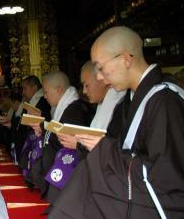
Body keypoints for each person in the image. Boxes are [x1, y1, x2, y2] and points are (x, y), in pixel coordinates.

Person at [41, 26, 184, 219]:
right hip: (137, 190)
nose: (100, 76)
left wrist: (104, 149)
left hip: (164, 210)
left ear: (126, 59)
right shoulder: (129, 101)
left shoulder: (165, 100)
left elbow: (168, 177)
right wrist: (98, 147)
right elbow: (122, 152)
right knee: (91, 168)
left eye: (101, 67)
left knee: (93, 167)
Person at [45, 62, 125, 202]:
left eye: (86, 85)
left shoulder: (120, 107)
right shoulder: (100, 106)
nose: (84, 91)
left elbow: (120, 152)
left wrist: (79, 144)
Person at [26, 71, 93, 199]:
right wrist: (43, 127)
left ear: (58, 89)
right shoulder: (63, 108)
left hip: (65, 182)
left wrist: (44, 127)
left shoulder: (75, 110)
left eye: (46, 92)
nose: (44, 96)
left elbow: (65, 143)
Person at [16, 76, 52, 172]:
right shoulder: (31, 101)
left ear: (35, 88)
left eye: (25, 88)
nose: (23, 92)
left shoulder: (43, 102)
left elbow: (47, 120)